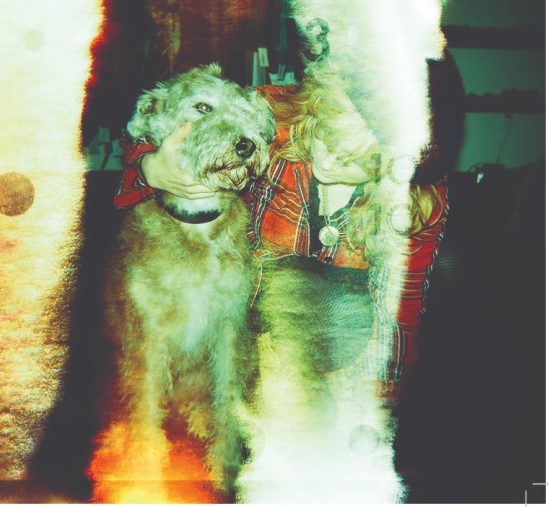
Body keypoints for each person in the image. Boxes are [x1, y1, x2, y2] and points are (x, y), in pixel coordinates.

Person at [113, 73, 448, 405]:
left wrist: (377, 403)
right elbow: (160, 113)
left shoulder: (414, 205)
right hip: (247, 347)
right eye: (327, 134)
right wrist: (149, 166)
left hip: (344, 366)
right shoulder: (270, 113)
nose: (327, 161)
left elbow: (401, 313)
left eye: (355, 159)